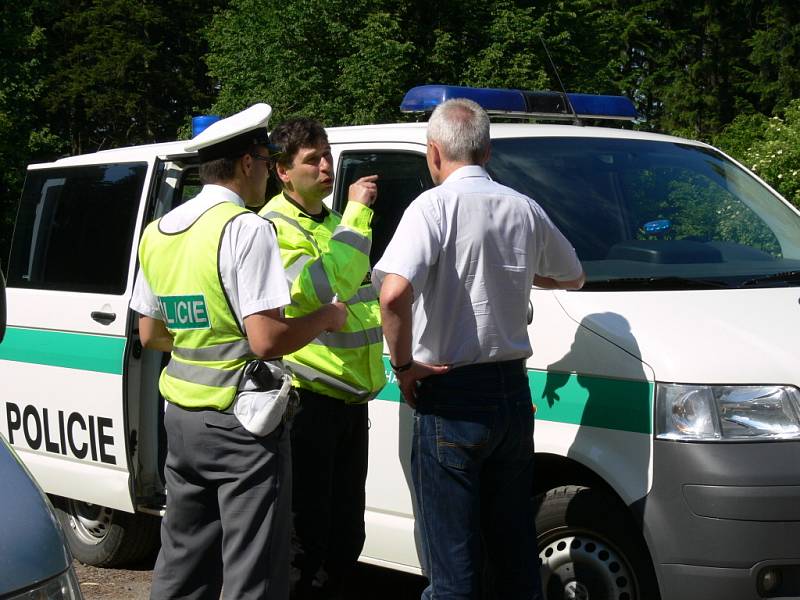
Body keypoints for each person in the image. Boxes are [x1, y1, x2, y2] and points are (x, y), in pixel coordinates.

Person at [130, 104, 347, 600]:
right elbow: (266, 339)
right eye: (267, 161)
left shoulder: (160, 232)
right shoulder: (246, 228)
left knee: (183, 561)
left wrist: (202, 338)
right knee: (254, 571)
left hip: (181, 417)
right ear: (248, 163)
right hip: (239, 422)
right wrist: (325, 318)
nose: (269, 174)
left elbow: (150, 333)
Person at [374, 98, 585, 600]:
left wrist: (404, 367)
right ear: (486, 151)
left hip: (449, 392)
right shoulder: (523, 207)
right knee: (513, 554)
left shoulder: (431, 207)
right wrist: (514, 273)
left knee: (453, 570)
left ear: (433, 152)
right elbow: (573, 275)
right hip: (512, 394)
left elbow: (393, 294)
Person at [258, 118, 386, 599]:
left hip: (352, 402)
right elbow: (318, 291)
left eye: (327, 155)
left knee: (346, 536)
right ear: (283, 172)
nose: (326, 165)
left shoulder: (333, 224)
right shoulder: (271, 227)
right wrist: (356, 215)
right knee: (305, 541)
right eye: (312, 159)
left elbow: (363, 298)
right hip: (308, 401)